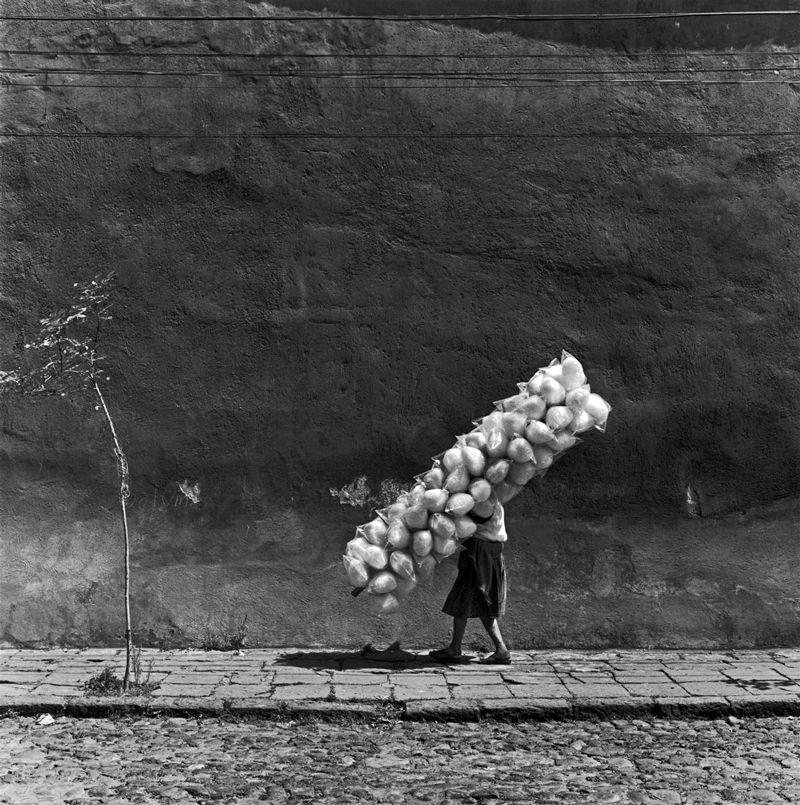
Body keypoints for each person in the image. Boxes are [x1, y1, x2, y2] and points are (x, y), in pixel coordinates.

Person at [429, 491, 511, 664]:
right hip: (481, 552)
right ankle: (455, 647)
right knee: (463, 600)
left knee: (481, 602)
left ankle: (501, 649)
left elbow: (465, 519)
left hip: (481, 555)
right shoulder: (490, 497)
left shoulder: (485, 502)